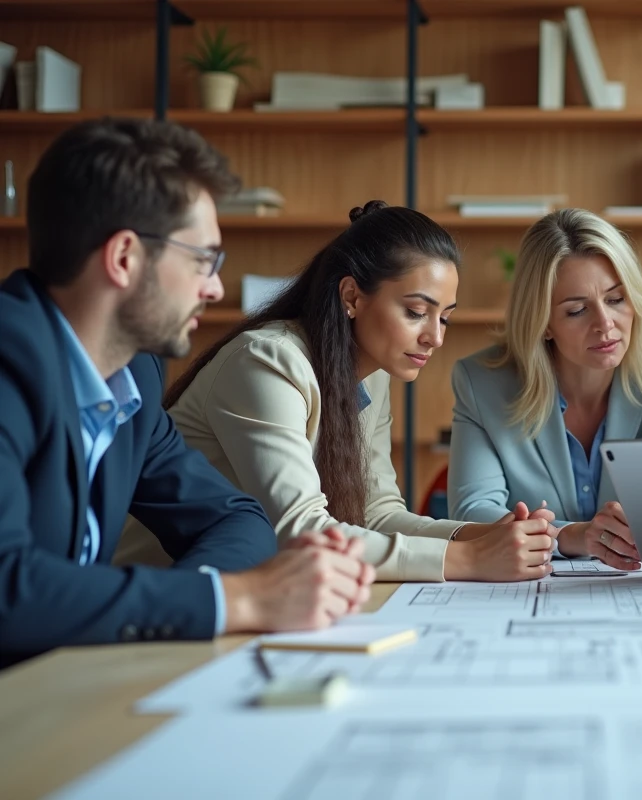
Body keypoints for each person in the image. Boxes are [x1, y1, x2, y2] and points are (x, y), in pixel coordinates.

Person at [0, 118, 374, 666]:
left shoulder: (133, 374)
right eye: (203, 260)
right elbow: (8, 585)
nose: (215, 288)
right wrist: (237, 599)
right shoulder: (10, 359)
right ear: (124, 258)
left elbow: (235, 518)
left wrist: (215, 597)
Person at [116, 201, 556, 583]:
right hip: (165, 595)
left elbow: (378, 513)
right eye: (415, 312)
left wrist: (486, 536)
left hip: (257, 594)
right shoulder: (267, 361)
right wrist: (469, 559)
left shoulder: (372, 373)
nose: (434, 337)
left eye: (444, 318)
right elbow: (298, 528)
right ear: (352, 296)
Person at [447, 208, 642, 570]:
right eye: (576, 310)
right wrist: (569, 536)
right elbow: (472, 513)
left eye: (616, 299)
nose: (605, 324)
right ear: (543, 322)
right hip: (532, 585)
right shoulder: (482, 383)